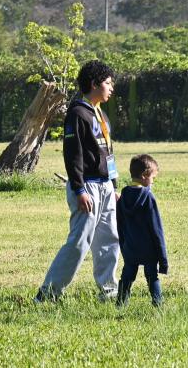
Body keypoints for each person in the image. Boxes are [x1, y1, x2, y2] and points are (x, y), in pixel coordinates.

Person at [36, 60, 120, 302]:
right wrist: (79, 188)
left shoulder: (101, 114)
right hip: (87, 186)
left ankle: (109, 291)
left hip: (105, 185)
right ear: (93, 84)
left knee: (109, 239)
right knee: (80, 241)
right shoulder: (78, 113)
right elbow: (73, 154)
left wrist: (113, 186)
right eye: (107, 83)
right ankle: (49, 293)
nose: (111, 88)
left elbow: (108, 153)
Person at [116, 154, 168, 307]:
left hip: (130, 247)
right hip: (149, 249)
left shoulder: (123, 196)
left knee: (127, 276)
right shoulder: (148, 198)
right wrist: (163, 260)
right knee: (152, 276)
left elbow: (120, 225)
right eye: (153, 177)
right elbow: (156, 228)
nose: (153, 181)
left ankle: (120, 304)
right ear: (145, 175)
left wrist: (123, 246)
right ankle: (158, 306)